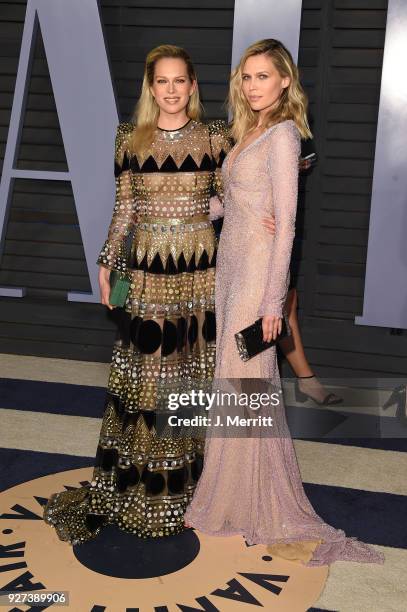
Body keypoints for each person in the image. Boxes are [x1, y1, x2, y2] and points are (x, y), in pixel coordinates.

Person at [184, 39, 384, 567]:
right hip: (231, 267)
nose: (253, 86)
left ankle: (244, 499)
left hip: (256, 278)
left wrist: (274, 302)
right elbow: (233, 202)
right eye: (246, 77)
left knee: (245, 380)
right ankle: (228, 492)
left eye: (263, 77)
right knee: (238, 384)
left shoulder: (284, 135)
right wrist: (181, 211)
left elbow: (288, 223)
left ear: (285, 81)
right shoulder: (247, 130)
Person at [43, 44, 235, 544]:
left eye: (180, 81)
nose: (171, 91)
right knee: (149, 371)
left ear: (193, 86)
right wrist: (108, 262)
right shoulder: (129, 138)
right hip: (147, 267)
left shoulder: (215, 136)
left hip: (198, 270)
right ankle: (144, 490)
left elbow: (229, 199)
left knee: (193, 368)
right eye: (162, 82)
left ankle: (193, 490)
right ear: (150, 88)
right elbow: (124, 208)